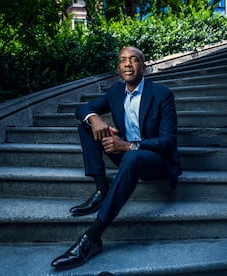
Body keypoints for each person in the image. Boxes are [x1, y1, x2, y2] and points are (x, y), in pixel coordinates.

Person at [51, 46, 181, 269]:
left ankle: (92, 238)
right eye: (123, 61)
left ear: (143, 65)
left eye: (133, 60)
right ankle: (102, 189)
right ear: (119, 68)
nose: (128, 64)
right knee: (86, 127)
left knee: (133, 158)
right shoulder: (115, 92)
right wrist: (95, 119)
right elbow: (83, 109)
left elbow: (168, 141)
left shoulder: (162, 95)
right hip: (124, 152)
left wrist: (130, 145)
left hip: (154, 160)